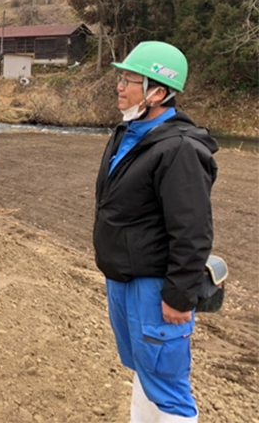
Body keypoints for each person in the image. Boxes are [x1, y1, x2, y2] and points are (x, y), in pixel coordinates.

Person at [93, 41, 218, 423]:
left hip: (154, 286)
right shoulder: (129, 133)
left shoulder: (178, 148)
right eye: (121, 77)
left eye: (130, 80)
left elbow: (192, 231)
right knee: (144, 372)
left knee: (168, 385)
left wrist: (179, 297)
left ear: (158, 92)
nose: (120, 86)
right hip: (124, 278)